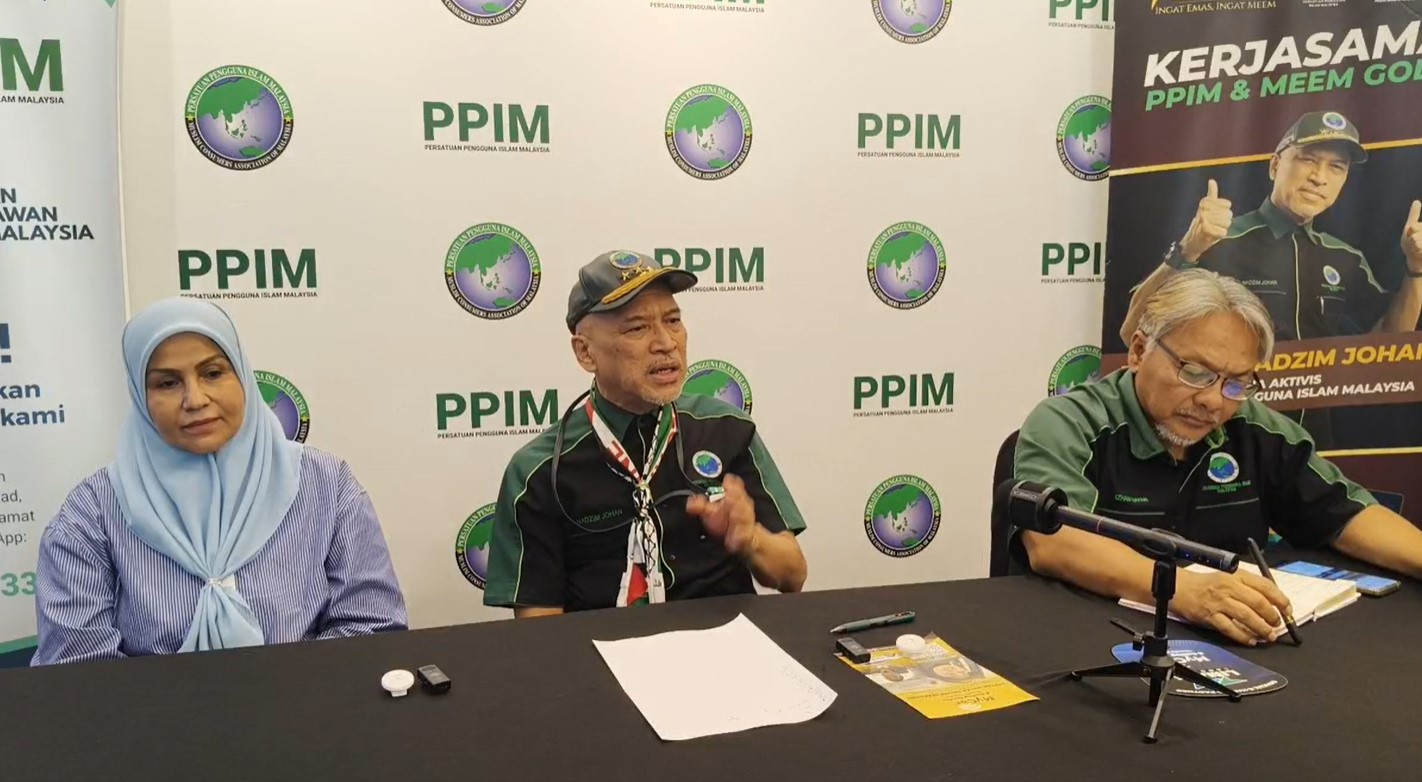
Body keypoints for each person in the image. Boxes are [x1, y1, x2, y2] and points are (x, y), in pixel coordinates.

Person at [1013, 269, 1422, 646]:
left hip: (1229, 642)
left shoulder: (1256, 427)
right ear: (1138, 351)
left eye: (1236, 384)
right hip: (1087, 642)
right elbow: (1054, 542)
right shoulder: (1070, 422)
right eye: (1195, 372)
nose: (1213, 400)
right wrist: (1183, 591)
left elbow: (1345, 512)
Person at [32, 298, 407, 665]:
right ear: (140, 396)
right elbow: (77, 667)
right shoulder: (94, 512)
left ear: (241, 374)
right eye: (167, 383)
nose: (195, 399)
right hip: (153, 709)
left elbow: (372, 626)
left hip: (310, 702)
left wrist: (284, 693)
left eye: (212, 373)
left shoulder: (325, 485)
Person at [483, 250, 808, 616]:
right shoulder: (539, 470)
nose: (666, 343)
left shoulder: (726, 428)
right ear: (586, 353)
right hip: (600, 647)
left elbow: (793, 576)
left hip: (724, 640)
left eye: (673, 320)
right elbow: (539, 624)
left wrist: (749, 539)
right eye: (637, 328)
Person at [1120, 110, 1422, 447]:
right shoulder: (1217, 240)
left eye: (1336, 167)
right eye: (1308, 160)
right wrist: (1189, 250)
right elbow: (1132, 329)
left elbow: (1390, 343)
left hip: (1310, 445)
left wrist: (1416, 269)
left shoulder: (1346, 257)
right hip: (1221, 432)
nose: (1319, 178)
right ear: (1275, 165)